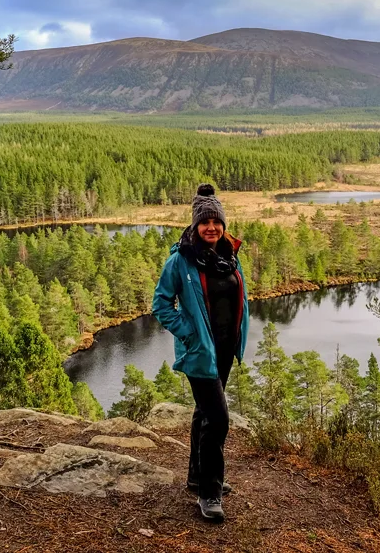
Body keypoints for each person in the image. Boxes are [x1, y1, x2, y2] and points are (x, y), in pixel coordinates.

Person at [152, 184, 249, 523]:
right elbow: (160, 304)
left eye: (216, 222)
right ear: (194, 226)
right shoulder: (181, 259)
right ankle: (210, 492)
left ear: (223, 224)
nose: (211, 227)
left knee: (204, 414)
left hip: (223, 350)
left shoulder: (229, 255)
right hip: (200, 352)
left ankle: (197, 476)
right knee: (219, 420)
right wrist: (188, 332)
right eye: (204, 222)